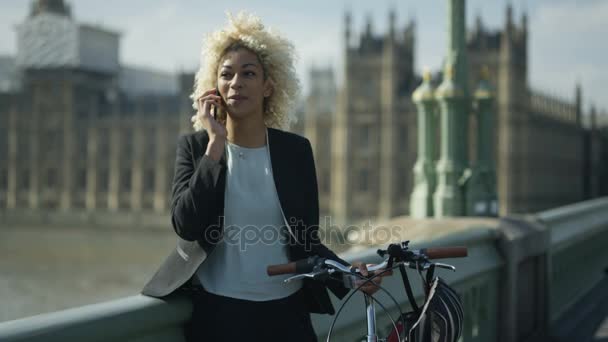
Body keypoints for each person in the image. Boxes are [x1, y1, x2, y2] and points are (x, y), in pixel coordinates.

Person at [142, 12, 387, 341]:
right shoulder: (196, 147)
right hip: (220, 315)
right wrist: (215, 143)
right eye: (226, 74)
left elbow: (306, 242)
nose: (236, 82)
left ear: (269, 85)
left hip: (286, 314)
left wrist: (347, 275)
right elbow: (186, 224)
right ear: (213, 86)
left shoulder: (295, 151)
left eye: (248, 73)